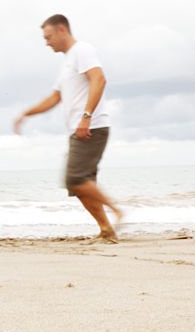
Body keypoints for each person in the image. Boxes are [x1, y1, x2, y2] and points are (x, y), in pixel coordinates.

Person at [14, 14, 122, 243]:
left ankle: (117, 211)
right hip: (80, 128)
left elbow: (99, 79)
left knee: (75, 179)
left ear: (62, 29)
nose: (46, 42)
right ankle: (106, 229)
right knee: (80, 186)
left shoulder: (82, 51)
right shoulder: (67, 63)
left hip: (91, 126)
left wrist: (86, 117)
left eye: (49, 36)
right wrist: (26, 113)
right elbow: (54, 98)